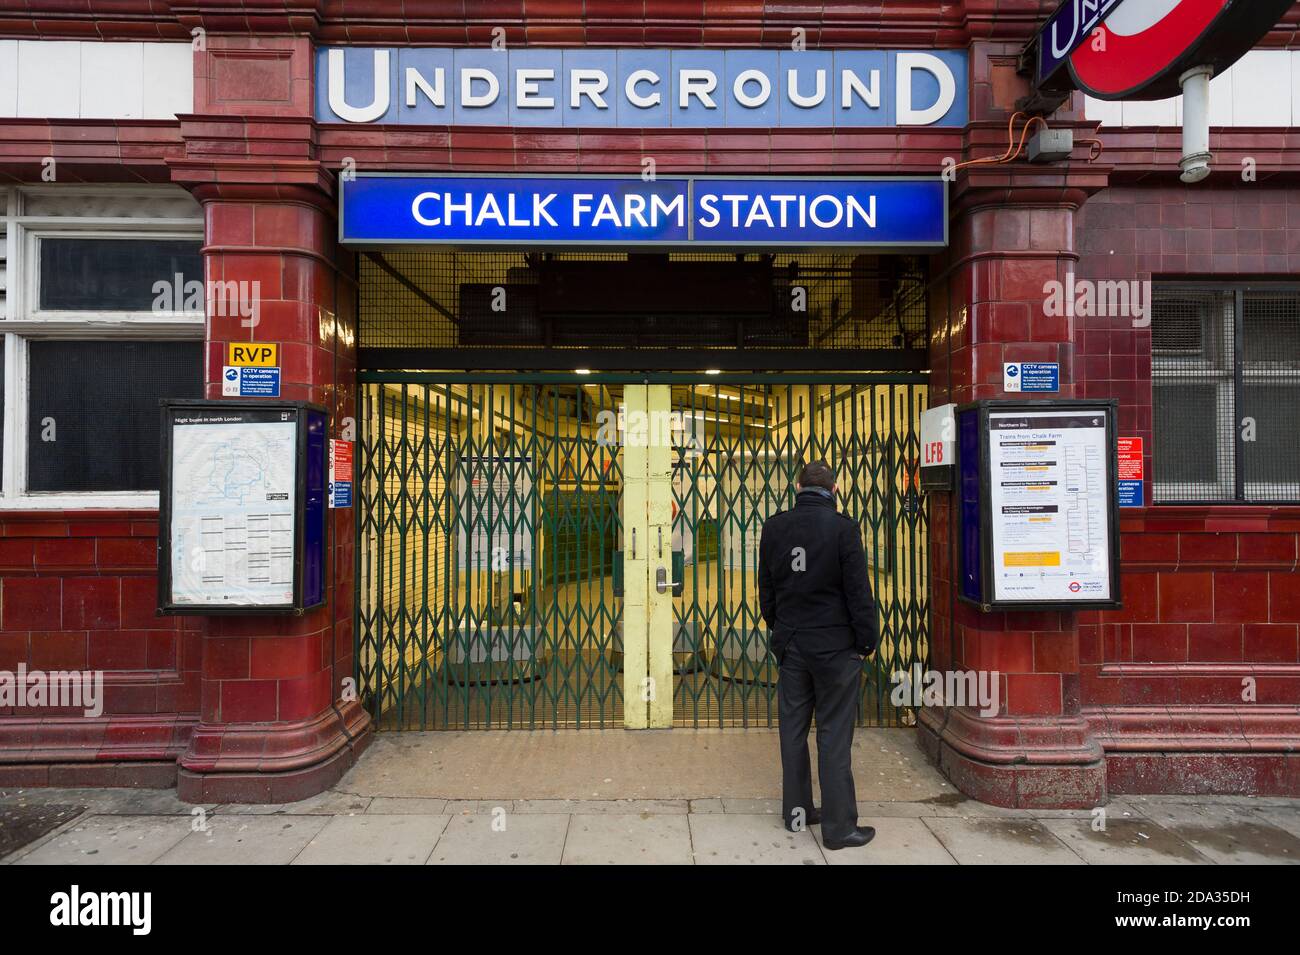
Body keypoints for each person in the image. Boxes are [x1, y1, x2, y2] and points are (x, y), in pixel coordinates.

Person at [758, 460, 878, 850]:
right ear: (835, 488)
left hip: (793, 644)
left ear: (797, 487)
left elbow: (767, 591)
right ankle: (840, 828)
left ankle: (797, 813)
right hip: (835, 648)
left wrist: (782, 629)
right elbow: (858, 592)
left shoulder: (774, 527)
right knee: (833, 734)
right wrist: (866, 642)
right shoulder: (843, 529)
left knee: (792, 731)